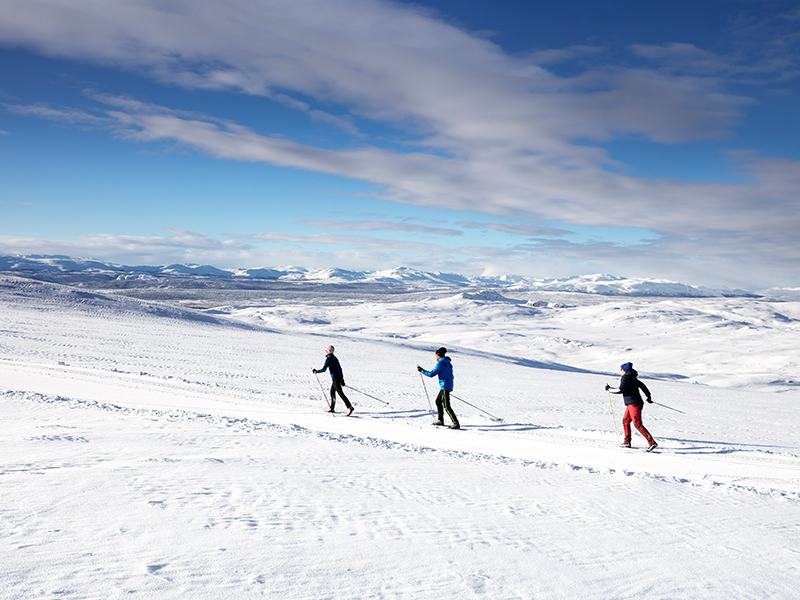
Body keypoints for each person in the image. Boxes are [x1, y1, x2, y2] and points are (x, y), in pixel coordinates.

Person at [606, 362, 657, 451]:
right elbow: (643, 386)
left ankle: (652, 442)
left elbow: (620, 390)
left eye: (621, 369)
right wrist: (648, 396)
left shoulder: (626, 378)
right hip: (633, 403)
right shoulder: (633, 377)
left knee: (637, 424)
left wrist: (609, 389)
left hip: (634, 404)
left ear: (624, 370)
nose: (620, 371)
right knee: (625, 421)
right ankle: (627, 442)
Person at [418, 347, 460, 430]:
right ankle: (440, 420)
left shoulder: (440, 363)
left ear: (438, 355)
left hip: (445, 386)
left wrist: (422, 370)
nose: (435, 356)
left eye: (436, 355)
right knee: (438, 401)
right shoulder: (447, 362)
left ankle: (456, 423)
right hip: (447, 384)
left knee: (446, 406)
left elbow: (431, 374)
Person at [313, 345, 354, 416]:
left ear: (328, 351)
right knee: (332, 391)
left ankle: (349, 407)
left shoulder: (329, 359)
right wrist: (342, 380)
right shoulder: (335, 358)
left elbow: (324, 369)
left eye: (326, 350)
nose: (325, 351)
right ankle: (332, 407)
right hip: (339, 377)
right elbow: (340, 368)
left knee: (340, 393)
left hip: (335, 378)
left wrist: (316, 371)